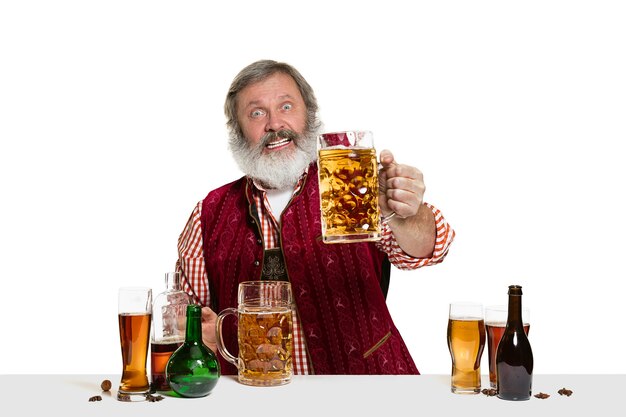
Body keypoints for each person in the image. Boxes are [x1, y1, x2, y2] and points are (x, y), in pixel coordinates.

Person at [175, 59, 455, 375]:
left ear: (308, 114)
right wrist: (199, 334)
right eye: (256, 113)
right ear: (237, 130)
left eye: (286, 107)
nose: (274, 124)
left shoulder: (350, 183)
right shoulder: (208, 213)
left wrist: (401, 212)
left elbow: (431, 249)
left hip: (369, 389)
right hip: (255, 396)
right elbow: (188, 319)